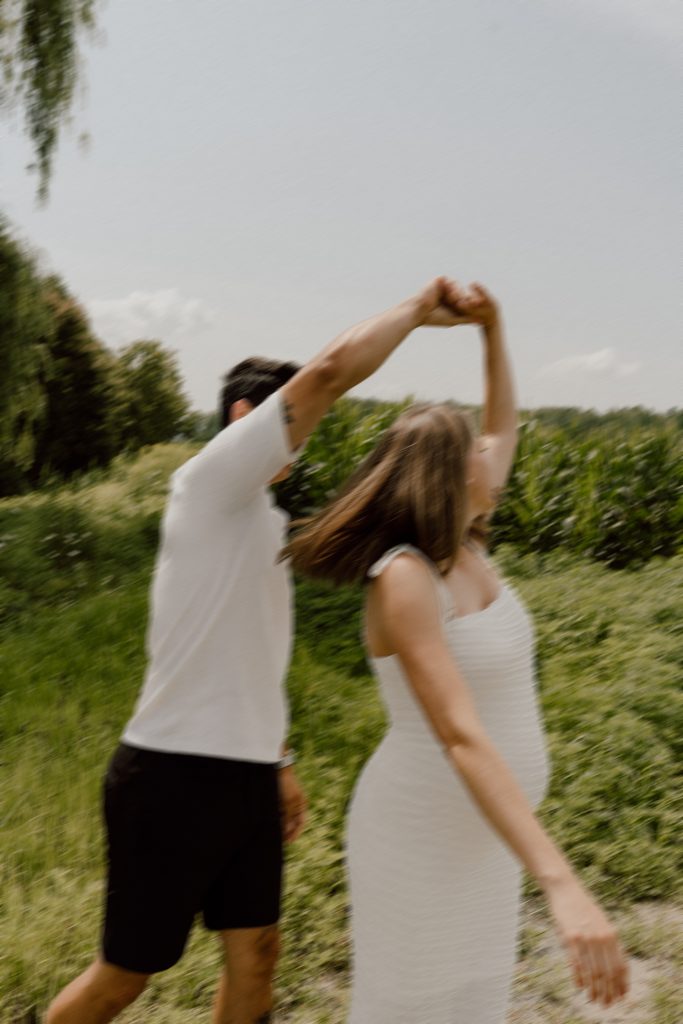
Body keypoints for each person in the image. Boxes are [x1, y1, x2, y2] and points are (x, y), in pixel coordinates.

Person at [45, 275, 469, 1024]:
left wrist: (278, 762)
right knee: (126, 975)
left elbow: (252, 660)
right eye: (294, 431)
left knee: (260, 952)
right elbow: (331, 372)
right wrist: (414, 312)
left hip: (242, 779)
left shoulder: (266, 525)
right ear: (248, 420)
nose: (300, 450)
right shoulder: (206, 486)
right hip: (168, 774)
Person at [285, 281, 630, 1023]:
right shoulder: (406, 578)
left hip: (483, 842)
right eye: (474, 444)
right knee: (408, 1006)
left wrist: (492, 329)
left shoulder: (466, 543)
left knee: (474, 1003)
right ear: (447, 475)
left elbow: (505, 420)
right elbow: (459, 735)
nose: (492, 449)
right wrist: (561, 882)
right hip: (418, 834)